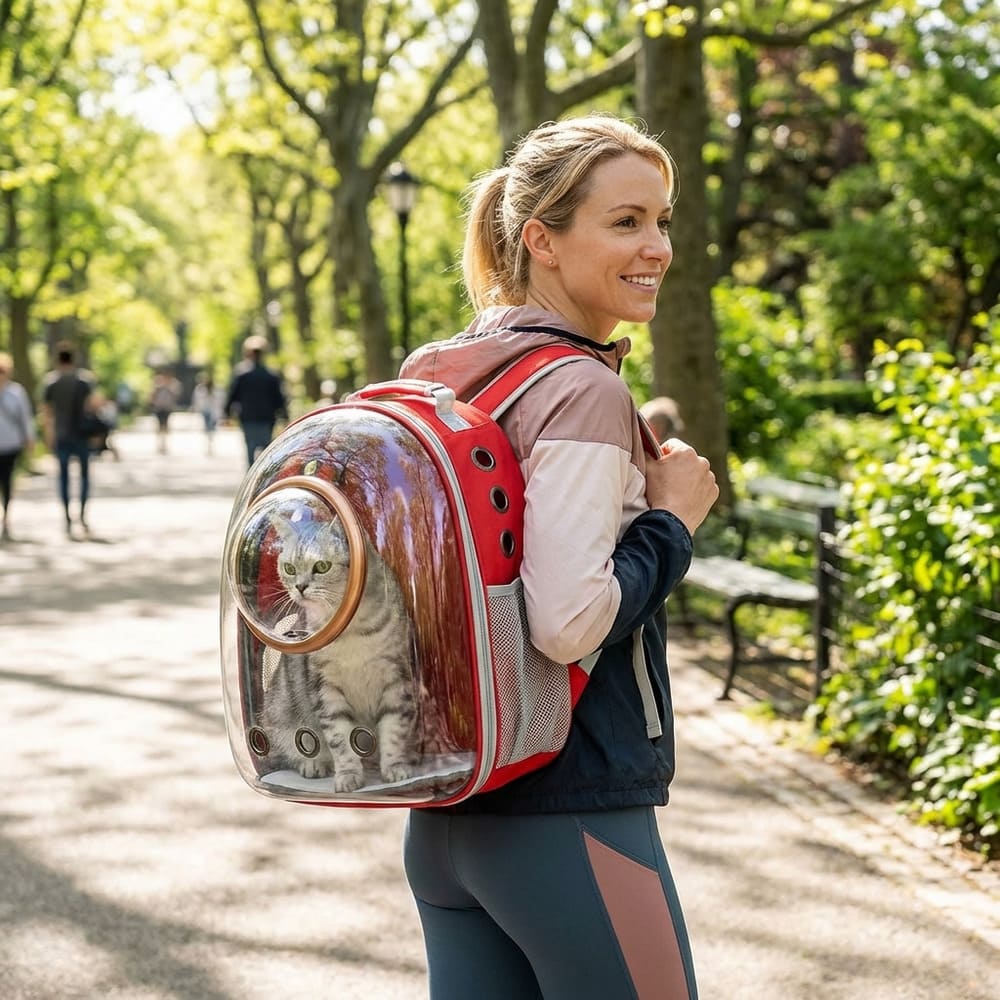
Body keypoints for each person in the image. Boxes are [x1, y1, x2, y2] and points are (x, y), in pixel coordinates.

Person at [398, 115, 719, 999]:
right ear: (541, 237)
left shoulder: (440, 366)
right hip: (570, 810)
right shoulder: (580, 387)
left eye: (661, 221)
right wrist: (673, 521)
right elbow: (569, 619)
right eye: (625, 222)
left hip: (446, 807)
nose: (655, 246)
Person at [41, 342, 97, 536]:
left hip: (61, 434)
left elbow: (47, 414)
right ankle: (81, 514)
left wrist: (49, 436)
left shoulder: (51, 382)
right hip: (81, 434)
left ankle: (66, 516)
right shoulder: (84, 381)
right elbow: (92, 407)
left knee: (64, 477)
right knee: (84, 477)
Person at [225, 335, 288, 467]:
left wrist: (226, 412)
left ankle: (251, 478)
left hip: (248, 417)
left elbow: (233, 396)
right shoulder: (271, 375)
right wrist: (285, 415)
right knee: (266, 451)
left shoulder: (242, 374)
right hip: (266, 418)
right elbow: (279, 399)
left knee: (250, 449)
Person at [0, 352, 36, 542]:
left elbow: (25, 417)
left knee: (7, 482)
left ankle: (6, 518)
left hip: (11, 445)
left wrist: (29, 439)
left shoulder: (16, 392)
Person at [191, 372, 224, 455]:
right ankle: (209, 443)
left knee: (211, 427)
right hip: (205, 411)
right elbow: (197, 400)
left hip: (213, 412)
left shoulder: (216, 390)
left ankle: (210, 442)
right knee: (207, 427)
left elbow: (220, 401)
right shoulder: (201, 389)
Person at [150, 370, 180, 455]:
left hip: (167, 408)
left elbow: (176, 395)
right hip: (159, 407)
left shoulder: (173, 383)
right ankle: (159, 443)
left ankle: (164, 443)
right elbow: (152, 395)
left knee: (166, 425)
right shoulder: (157, 383)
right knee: (159, 425)